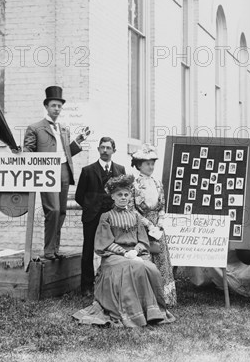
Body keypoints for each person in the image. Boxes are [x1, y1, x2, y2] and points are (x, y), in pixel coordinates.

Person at [72, 174, 175, 327]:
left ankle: (152, 312)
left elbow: (143, 240)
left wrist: (136, 250)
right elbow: (104, 242)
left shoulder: (135, 216)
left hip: (134, 253)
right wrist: (124, 253)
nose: (123, 198)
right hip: (113, 256)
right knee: (132, 266)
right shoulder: (106, 216)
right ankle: (133, 313)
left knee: (151, 267)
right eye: (119, 195)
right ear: (112, 196)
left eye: (126, 195)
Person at [23, 86, 89, 260]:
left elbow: (65, 152)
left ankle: (55, 249)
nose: (57, 109)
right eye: (53, 105)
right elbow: (27, 151)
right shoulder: (35, 127)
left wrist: (77, 141)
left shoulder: (64, 129)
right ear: (46, 106)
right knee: (52, 210)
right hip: (46, 173)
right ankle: (48, 250)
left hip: (64, 170)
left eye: (59, 106)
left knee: (61, 211)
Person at [75, 137, 126, 296]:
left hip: (114, 216)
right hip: (92, 217)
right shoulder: (88, 170)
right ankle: (87, 287)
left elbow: (123, 192)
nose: (105, 150)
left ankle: (113, 283)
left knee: (115, 247)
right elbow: (79, 196)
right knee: (89, 249)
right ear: (98, 149)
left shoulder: (120, 170)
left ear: (114, 151)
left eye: (108, 148)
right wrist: (91, 207)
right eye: (102, 147)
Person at [131, 143, 177, 307]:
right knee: (146, 260)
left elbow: (163, 206)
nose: (150, 166)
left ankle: (164, 298)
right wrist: (148, 224)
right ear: (139, 165)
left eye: (152, 163)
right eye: (147, 163)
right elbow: (131, 208)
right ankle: (146, 299)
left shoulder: (158, 183)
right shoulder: (134, 184)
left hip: (158, 228)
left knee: (161, 260)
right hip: (142, 228)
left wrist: (161, 222)